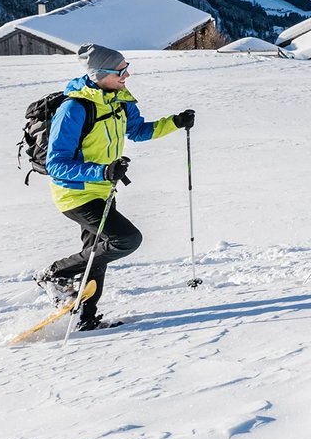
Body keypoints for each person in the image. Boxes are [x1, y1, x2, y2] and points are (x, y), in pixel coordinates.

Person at [37, 44, 194, 330]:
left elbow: (138, 131)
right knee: (126, 240)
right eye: (121, 70)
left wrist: (175, 122)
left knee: (98, 254)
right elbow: (56, 165)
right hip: (75, 194)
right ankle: (55, 273)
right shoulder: (74, 109)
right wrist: (103, 171)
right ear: (101, 74)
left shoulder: (120, 100)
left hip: (103, 190)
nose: (127, 75)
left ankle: (86, 319)